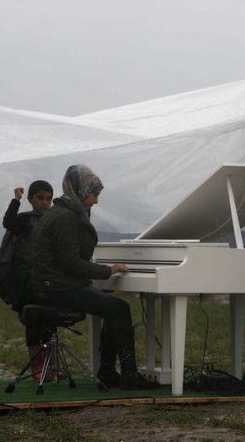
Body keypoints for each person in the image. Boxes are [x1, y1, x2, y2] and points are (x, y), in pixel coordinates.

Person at [29, 165, 159, 390]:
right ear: (81, 190)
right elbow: (70, 263)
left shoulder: (63, 211)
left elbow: (69, 261)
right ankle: (127, 374)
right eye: (94, 194)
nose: (96, 201)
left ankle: (108, 371)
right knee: (119, 309)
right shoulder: (66, 218)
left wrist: (101, 273)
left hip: (54, 285)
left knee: (112, 306)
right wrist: (108, 270)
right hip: (56, 290)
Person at [0, 180, 53, 380]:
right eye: (40, 198)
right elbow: (8, 222)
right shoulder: (24, 220)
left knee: (49, 322)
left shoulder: (54, 220)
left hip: (48, 281)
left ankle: (50, 366)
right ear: (31, 199)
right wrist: (15, 200)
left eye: (48, 199)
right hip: (26, 282)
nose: (45, 203)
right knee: (33, 322)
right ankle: (37, 368)